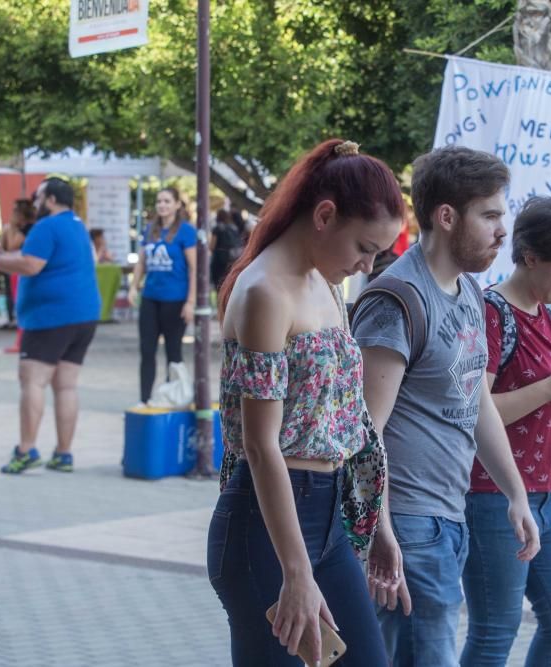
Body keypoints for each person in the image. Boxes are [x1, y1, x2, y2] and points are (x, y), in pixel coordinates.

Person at [208, 139, 404, 666]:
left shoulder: (326, 282)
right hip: (265, 531)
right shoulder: (265, 292)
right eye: (364, 247)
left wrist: (378, 522)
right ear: (324, 215)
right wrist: (295, 571)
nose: (367, 263)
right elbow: (259, 444)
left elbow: (350, 421)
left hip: (327, 518)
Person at [352, 145, 540, 666]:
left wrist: (516, 495)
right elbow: (364, 433)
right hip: (407, 526)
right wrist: (381, 530)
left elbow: (477, 401)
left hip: (448, 520)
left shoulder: (470, 294)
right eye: (491, 216)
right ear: (447, 217)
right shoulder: (397, 299)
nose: (503, 231)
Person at [462, 197, 551, 667]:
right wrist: (550, 387)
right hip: (491, 496)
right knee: (494, 631)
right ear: (530, 256)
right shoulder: (489, 312)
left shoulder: (548, 313)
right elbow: (474, 413)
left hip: (545, 495)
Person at [0, 178, 101, 474]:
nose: (34, 201)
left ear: (52, 199)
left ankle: (26, 450)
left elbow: (31, 265)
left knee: (33, 381)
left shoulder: (46, 226)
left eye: (38, 196)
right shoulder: (76, 225)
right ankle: (64, 453)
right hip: (84, 315)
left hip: (51, 317)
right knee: (66, 385)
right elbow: (30, 257)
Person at [128, 188, 197, 404]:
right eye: (159, 201)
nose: (162, 205)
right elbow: (141, 262)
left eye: (167, 201)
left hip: (175, 299)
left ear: (177, 204)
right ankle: (144, 398)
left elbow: (194, 268)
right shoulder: (151, 230)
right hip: (151, 297)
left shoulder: (186, 231)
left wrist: (191, 301)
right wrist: (133, 286)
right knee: (146, 350)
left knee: (173, 352)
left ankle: (172, 397)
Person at [0, 199, 37, 353]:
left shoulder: (26, 229)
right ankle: (23, 340)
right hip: (20, 268)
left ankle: (21, 341)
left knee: (21, 306)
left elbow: (10, 246)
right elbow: (3, 246)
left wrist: (11, 228)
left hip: (19, 269)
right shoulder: (32, 227)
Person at [210, 208, 243, 290]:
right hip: (232, 259)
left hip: (219, 260)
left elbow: (212, 246)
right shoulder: (233, 227)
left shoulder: (217, 228)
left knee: (218, 283)